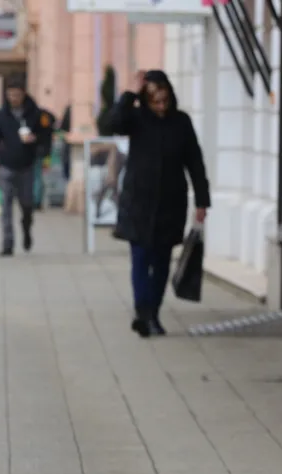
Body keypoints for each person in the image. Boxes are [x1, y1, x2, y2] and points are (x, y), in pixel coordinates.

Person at [108, 69, 210, 338]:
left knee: (162, 261)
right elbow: (112, 124)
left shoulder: (181, 122)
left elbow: (195, 162)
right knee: (140, 259)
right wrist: (129, 93)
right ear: (146, 100)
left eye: (164, 101)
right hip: (138, 202)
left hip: (170, 202)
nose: (161, 107)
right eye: (155, 102)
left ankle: (153, 312)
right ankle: (143, 313)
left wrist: (202, 201)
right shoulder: (136, 118)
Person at [0, 76, 45, 256]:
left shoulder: (34, 114)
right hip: (6, 166)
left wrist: (35, 141)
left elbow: (45, 137)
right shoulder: (1, 116)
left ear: (23, 94)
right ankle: (7, 243)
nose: (14, 99)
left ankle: (26, 228)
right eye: (10, 95)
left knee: (26, 203)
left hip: (26, 165)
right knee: (6, 205)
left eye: (17, 95)